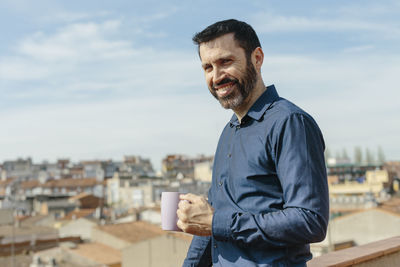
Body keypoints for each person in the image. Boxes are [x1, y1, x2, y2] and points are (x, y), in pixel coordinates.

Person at [177, 19, 329, 267]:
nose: (216, 76)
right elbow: (212, 217)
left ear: (257, 58)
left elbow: (309, 220)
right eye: (207, 67)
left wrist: (217, 222)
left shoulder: (290, 123)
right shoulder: (229, 132)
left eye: (225, 62)